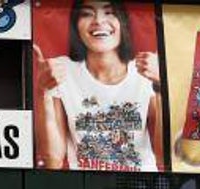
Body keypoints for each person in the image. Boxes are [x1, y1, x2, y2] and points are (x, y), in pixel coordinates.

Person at [34, 0, 162, 171]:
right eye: (87, 13)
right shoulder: (61, 71)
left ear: (123, 23)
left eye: (109, 12)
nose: (98, 21)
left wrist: (161, 87)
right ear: (76, 26)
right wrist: (43, 92)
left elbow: (162, 156)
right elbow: (53, 160)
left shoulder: (146, 71)